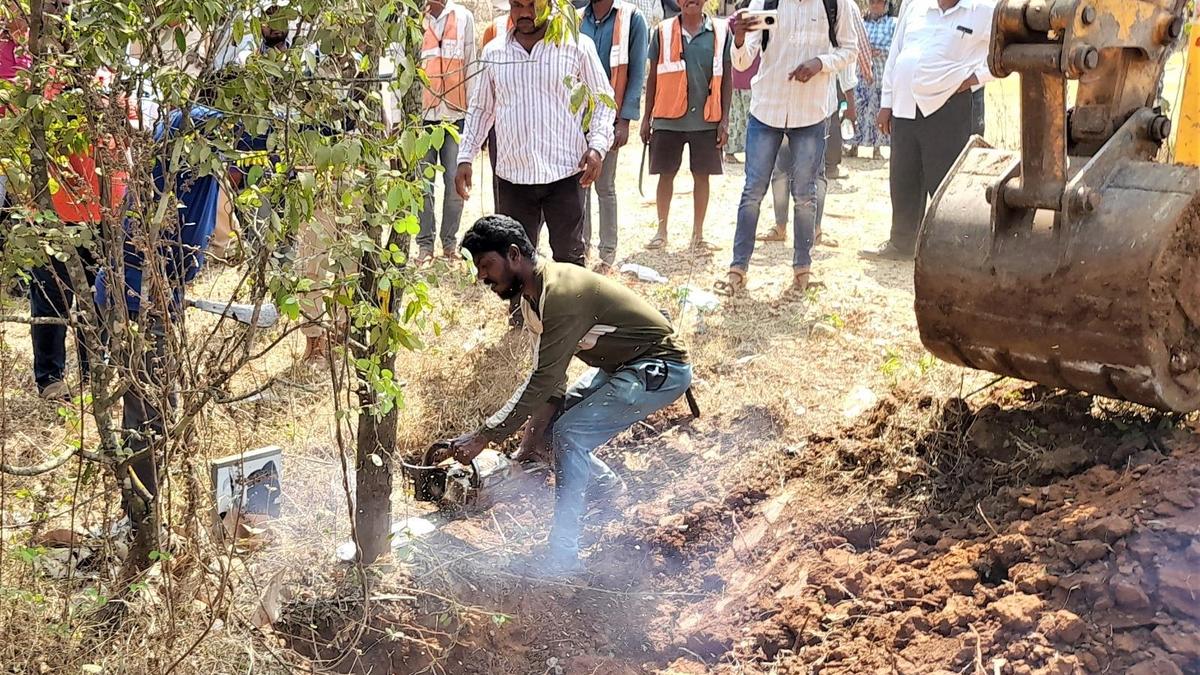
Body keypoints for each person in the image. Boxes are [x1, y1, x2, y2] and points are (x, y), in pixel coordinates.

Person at [441, 215, 692, 574]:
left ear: (513, 255)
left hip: (660, 368)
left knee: (570, 435)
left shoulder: (559, 294)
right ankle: (607, 488)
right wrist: (528, 445)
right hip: (622, 368)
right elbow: (552, 384)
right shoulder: (532, 299)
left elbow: (542, 381)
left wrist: (485, 436)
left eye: (486, 265)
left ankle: (563, 556)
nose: (482, 277)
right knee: (549, 431)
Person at [454, 0, 616, 269]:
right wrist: (465, 157)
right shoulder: (495, 53)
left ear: (551, 4)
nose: (525, 13)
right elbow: (481, 109)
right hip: (513, 178)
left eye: (533, 5)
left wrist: (597, 147)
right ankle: (521, 313)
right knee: (516, 264)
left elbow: (603, 101)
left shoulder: (576, 46)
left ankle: (568, 313)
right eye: (517, 5)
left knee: (570, 260)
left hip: (565, 173)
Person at [716, 0, 858, 298]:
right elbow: (742, 62)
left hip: (811, 113)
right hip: (767, 109)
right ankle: (737, 269)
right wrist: (739, 39)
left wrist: (821, 63)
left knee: (805, 195)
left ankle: (802, 271)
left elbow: (850, 49)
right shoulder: (766, 1)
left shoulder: (835, 4)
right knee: (753, 191)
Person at [860, 0, 995, 261]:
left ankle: (951, 249)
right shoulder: (914, 6)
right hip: (904, 106)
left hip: (947, 106)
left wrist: (974, 80)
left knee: (944, 181)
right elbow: (896, 55)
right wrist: (886, 103)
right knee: (903, 177)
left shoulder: (983, 10)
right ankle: (901, 244)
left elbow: (1005, 54)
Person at [640, 0, 732, 252]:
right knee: (665, 175)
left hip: (706, 119)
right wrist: (647, 118)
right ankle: (661, 231)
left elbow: (726, 76)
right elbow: (653, 77)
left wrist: (725, 120)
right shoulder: (662, 31)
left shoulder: (721, 31)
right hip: (668, 118)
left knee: (702, 176)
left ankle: (698, 234)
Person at [581, 0, 649, 272]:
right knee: (579, 185)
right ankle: (581, 246)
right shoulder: (576, 18)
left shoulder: (632, 19)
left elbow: (636, 72)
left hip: (610, 118)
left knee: (604, 185)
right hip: (577, 120)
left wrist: (625, 120)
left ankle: (607, 253)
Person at [416, 0, 477, 263]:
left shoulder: (463, 17)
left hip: (455, 117)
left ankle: (449, 243)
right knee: (422, 187)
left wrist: (474, 120)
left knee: (455, 183)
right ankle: (425, 246)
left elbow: (472, 67)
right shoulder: (414, 19)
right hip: (421, 119)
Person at [850, 0, 896, 160]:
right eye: (872, 2)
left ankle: (878, 148)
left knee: (878, 114)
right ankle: (853, 145)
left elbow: (897, 47)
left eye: (879, 2)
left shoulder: (893, 24)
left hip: (882, 78)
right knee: (859, 112)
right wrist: (865, 51)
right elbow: (852, 46)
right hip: (861, 77)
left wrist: (881, 51)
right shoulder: (861, 24)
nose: (875, 5)